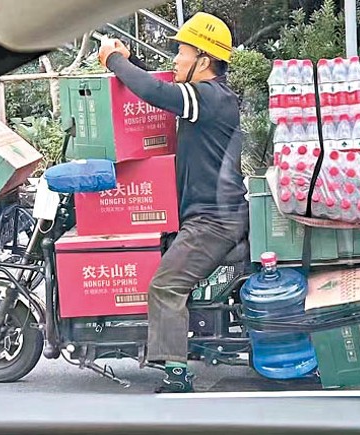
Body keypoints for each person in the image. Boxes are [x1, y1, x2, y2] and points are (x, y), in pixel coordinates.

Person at [98, 12, 249, 393]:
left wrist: (114, 62)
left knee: (165, 286)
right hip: (212, 216)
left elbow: (155, 92)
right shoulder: (212, 96)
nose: (176, 60)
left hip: (213, 221)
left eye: (182, 52)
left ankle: (178, 375)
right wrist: (130, 63)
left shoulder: (208, 98)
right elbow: (161, 85)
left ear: (204, 59)